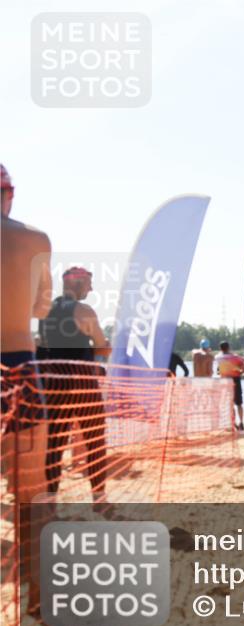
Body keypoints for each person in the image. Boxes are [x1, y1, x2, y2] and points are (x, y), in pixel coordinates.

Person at [37, 266, 112, 503]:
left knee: (54, 446)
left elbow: (41, 344)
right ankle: (99, 500)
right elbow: (101, 346)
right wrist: (103, 347)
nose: (91, 288)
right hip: (82, 382)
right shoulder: (84, 310)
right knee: (95, 442)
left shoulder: (43, 311)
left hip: (53, 383)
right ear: (77, 283)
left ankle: (50, 503)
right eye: (88, 283)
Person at [1, 162, 52, 504]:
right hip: (18, 364)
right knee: (28, 485)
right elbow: (40, 308)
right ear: (9, 194)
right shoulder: (35, 239)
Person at [216, 341, 244, 431]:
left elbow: (218, 370)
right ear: (229, 347)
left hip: (225, 381)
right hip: (235, 380)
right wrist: (240, 371)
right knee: (239, 403)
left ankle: (233, 423)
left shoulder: (218, 357)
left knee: (230, 404)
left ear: (220, 348)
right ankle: (241, 422)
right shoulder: (235, 357)